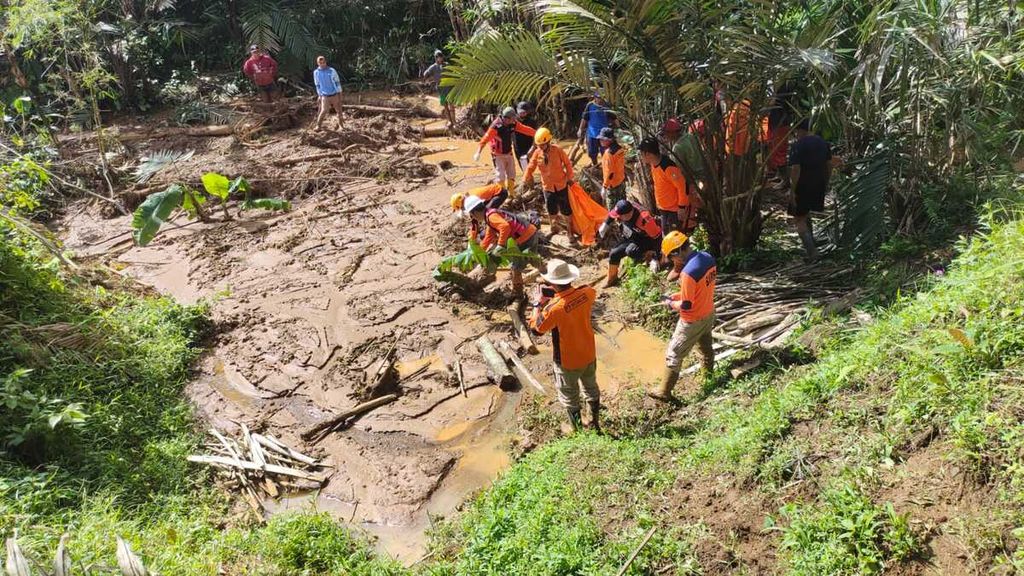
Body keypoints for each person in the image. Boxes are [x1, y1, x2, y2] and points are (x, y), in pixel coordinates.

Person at [529, 259, 600, 432]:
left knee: (569, 396)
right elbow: (581, 294)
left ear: (552, 283)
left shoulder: (553, 309)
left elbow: (536, 329)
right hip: (589, 353)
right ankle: (594, 423)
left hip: (567, 361)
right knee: (591, 388)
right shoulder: (588, 293)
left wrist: (538, 304)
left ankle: (576, 429)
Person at [649, 231, 717, 403]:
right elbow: (699, 290)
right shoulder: (707, 258)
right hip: (708, 312)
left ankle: (664, 391)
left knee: (674, 353)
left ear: (677, 252)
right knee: (705, 345)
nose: (673, 261)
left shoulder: (688, 272)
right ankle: (708, 376)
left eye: (672, 257)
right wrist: (678, 295)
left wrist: (670, 303)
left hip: (691, 320)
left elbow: (687, 305)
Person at [638, 136, 695, 281]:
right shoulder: (654, 164)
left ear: (648, 154)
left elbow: (682, 187)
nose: (641, 157)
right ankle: (669, 260)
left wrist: (681, 207)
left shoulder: (668, 167)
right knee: (666, 235)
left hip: (674, 208)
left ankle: (679, 266)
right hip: (664, 207)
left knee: (676, 238)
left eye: (642, 154)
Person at [465, 195, 539, 298]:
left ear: (474, 212)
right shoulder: (490, 214)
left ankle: (518, 294)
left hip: (525, 238)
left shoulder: (491, 217)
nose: (473, 218)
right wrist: (478, 253)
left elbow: (505, 227)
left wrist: (500, 245)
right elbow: (488, 237)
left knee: (515, 269)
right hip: (530, 233)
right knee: (533, 259)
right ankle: (546, 270)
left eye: (472, 215)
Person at [788, 119, 832, 261]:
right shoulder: (822, 143)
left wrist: (792, 189)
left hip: (802, 185)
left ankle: (812, 253)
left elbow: (796, 169)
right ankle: (813, 241)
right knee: (806, 212)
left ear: (800, 130)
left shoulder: (797, 145)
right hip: (819, 183)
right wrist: (826, 182)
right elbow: (829, 165)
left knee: (799, 218)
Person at [523, 127, 575, 243]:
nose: (540, 147)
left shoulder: (557, 150)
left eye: (542, 145)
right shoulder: (537, 153)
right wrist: (526, 178)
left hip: (561, 184)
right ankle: (553, 227)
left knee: (566, 210)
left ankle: (570, 232)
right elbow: (531, 167)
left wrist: (569, 177)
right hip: (548, 186)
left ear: (548, 142)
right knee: (551, 209)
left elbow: (567, 163)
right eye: (538, 145)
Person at [598, 199, 662, 287]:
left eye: (620, 216)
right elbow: (612, 215)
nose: (618, 218)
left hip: (647, 240)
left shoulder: (644, 220)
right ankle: (612, 279)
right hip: (632, 236)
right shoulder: (624, 207)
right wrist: (605, 224)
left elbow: (657, 237)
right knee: (614, 253)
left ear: (628, 214)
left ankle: (648, 257)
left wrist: (656, 257)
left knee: (631, 251)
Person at [473, 107, 537, 193]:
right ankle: (501, 194)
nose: (514, 120)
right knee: (500, 176)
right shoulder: (496, 126)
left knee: (511, 174)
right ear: (506, 118)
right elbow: (485, 139)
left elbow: (525, 129)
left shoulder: (513, 124)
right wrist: (478, 152)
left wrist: (537, 133)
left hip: (508, 152)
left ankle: (511, 193)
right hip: (497, 154)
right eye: (513, 118)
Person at [663, 118, 706, 194]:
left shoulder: (677, 148)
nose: (666, 136)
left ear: (673, 133)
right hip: (705, 175)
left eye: (667, 133)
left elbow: (680, 171)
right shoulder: (691, 137)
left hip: (695, 182)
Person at [423, 50, 455, 131]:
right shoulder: (433, 67)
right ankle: (449, 121)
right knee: (445, 106)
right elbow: (425, 73)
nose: (440, 58)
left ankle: (454, 121)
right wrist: (427, 79)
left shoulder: (446, 65)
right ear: (436, 58)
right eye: (438, 57)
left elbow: (453, 73)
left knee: (451, 105)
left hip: (449, 88)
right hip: (441, 89)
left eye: (441, 56)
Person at [578, 92, 613, 165]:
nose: (600, 100)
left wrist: (619, 128)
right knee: (592, 153)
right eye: (598, 98)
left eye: (601, 98)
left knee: (606, 153)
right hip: (592, 133)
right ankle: (595, 165)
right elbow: (584, 118)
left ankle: (605, 168)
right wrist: (580, 129)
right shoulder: (590, 105)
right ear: (595, 98)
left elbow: (614, 117)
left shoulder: (606, 105)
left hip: (604, 134)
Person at [598, 127, 626, 210]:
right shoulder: (620, 149)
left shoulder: (608, 154)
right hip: (621, 181)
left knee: (612, 210)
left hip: (612, 185)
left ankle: (613, 222)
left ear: (609, 140)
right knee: (623, 207)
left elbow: (609, 173)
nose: (600, 141)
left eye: (602, 139)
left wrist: (604, 187)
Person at [312, 56, 343, 131]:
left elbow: (337, 82)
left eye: (323, 62)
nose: (322, 64)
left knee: (339, 110)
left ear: (326, 62)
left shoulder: (331, 70)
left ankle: (341, 126)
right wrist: (319, 95)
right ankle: (318, 126)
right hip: (324, 96)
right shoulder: (316, 72)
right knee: (323, 111)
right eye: (320, 63)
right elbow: (317, 85)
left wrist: (340, 94)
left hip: (334, 94)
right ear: (318, 63)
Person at [514, 101, 538, 171]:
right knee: (524, 168)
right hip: (518, 147)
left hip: (530, 145)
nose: (522, 114)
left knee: (534, 164)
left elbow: (536, 135)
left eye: (524, 112)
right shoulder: (513, 121)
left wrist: (533, 147)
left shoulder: (532, 121)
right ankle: (528, 180)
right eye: (520, 112)